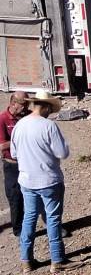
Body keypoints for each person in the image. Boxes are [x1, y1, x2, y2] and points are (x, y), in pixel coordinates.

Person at [11, 91, 83, 273]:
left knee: (29, 218)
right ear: (46, 107)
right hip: (48, 180)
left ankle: (26, 260)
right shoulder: (48, 126)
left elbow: (13, 153)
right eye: (50, 108)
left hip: (27, 180)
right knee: (53, 219)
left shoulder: (20, 125)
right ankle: (57, 260)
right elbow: (62, 153)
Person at [1, 92, 29, 237]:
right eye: (24, 104)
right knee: (15, 196)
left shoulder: (27, 116)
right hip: (12, 165)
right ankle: (19, 230)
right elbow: (1, 145)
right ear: (13, 104)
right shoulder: (3, 119)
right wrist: (19, 139)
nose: (26, 107)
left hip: (29, 162)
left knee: (38, 194)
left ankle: (53, 226)